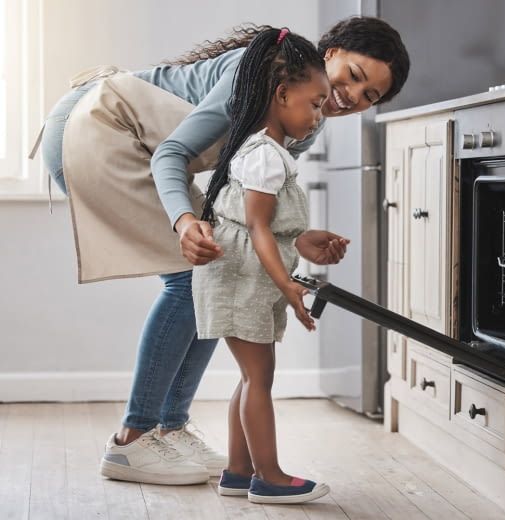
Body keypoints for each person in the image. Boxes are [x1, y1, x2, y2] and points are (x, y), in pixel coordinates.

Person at [37, 16, 409, 486]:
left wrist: (298, 237)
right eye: (355, 77)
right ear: (330, 52)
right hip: (93, 126)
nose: (353, 97)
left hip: (128, 140)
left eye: (369, 96)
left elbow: (248, 204)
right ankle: (134, 439)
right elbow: (170, 154)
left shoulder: (306, 119)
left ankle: (169, 429)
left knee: (221, 268)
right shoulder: (261, 74)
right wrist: (184, 219)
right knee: (190, 277)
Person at [192, 26, 333, 504]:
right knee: (259, 377)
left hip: (247, 278)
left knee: (253, 375)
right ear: (281, 93)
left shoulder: (267, 151)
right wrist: (290, 288)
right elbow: (257, 228)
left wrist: (306, 244)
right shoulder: (264, 156)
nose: (319, 115)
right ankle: (268, 476)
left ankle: (238, 470)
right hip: (242, 281)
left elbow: (271, 227)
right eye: (315, 102)